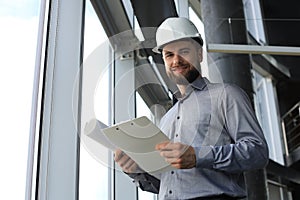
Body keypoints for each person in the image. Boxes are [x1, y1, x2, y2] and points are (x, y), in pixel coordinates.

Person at [114, 17, 269, 200]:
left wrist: (198, 156)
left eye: (184, 51)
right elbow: (167, 183)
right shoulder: (166, 119)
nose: (176, 60)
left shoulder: (226, 95)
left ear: (200, 54)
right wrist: (135, 170)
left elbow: (257, 152)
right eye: (169, 55)